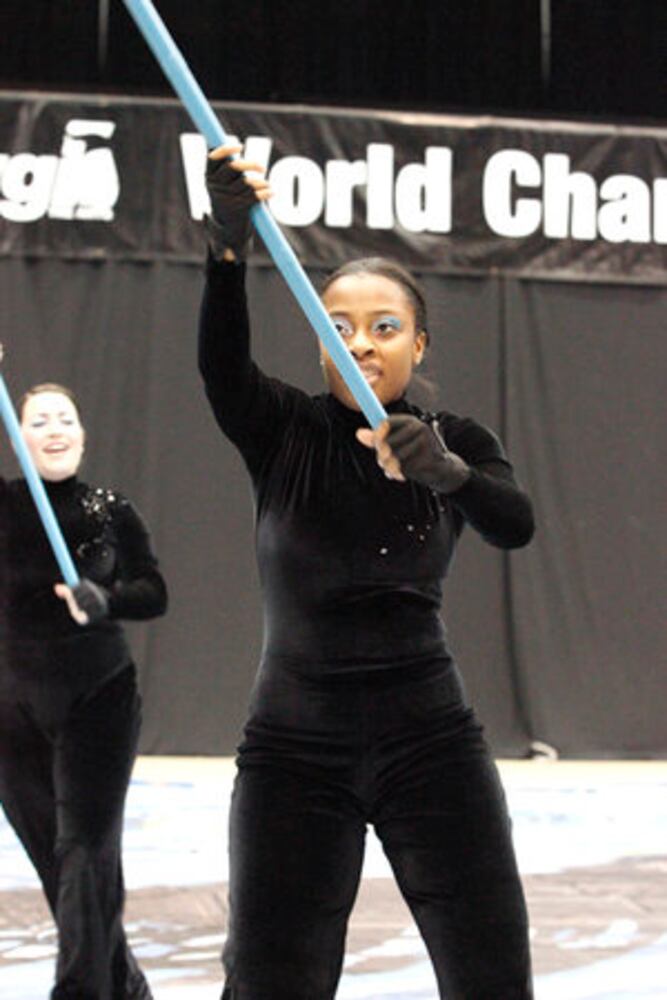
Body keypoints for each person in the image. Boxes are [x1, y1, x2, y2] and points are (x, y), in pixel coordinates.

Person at [200, 145, 535, 1000]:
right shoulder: (282, 429)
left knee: (492, 974)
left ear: (418, 341)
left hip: (431, 743)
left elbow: (514, 523)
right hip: (293, 751)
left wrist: (446, 473)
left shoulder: (455, 439)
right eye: (338, 325)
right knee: (270, 980)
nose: (359, 341)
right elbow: (221, 368)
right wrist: (226, 247)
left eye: (383, 326)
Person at [0, 344, 166, 1000]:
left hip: (97, 697)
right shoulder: (4, 505)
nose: (54, 429)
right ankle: (124, 987)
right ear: (18, 436)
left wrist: (106, 599)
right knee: (58, 864)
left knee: (86, 853)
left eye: (64, 418)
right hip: (10, 710)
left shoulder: (111, 509)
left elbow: (153, 592)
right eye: (38, 420)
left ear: (83, 435)